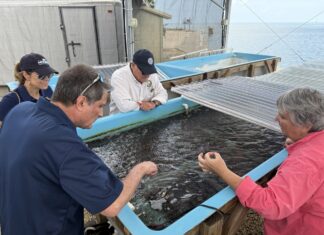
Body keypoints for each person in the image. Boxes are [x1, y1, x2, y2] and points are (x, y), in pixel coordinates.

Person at [0, 64, 158, 235]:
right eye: (99, 106)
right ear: (81, 102)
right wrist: (140, 169)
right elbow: (112, 206)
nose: (101, 114)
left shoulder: (20, 110)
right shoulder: (65, 147)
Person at [198, 87, 324, 235]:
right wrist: (299, 141)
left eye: (283, 117)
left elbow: (272, 205)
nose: (276, 118)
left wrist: (222, 171)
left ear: (306, 126)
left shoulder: (305, 161)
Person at [0, 53, 58, 128]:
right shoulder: (12, 99)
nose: (47, 78)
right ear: (26, 75)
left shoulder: (48, 91)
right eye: (41, 75)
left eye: (49, 74)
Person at [109, 49, 168, 114]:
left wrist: (153, 103)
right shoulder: (119, 77)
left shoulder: (152, 75)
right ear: (133, 65)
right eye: (144, 71)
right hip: (121, 122)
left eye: (149, 71)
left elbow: (163, 93)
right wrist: (142, 105)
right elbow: (124, 106)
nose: (147, 75)